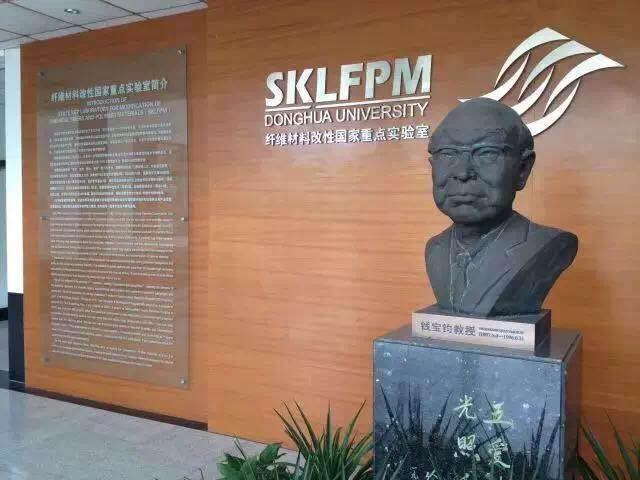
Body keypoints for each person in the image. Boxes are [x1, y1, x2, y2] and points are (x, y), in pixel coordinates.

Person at [425, 98, 578, 317]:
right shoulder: (435, 249)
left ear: (523, 169)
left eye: (487, 153)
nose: (462, 173)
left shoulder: (546, 245)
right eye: (448, 154)